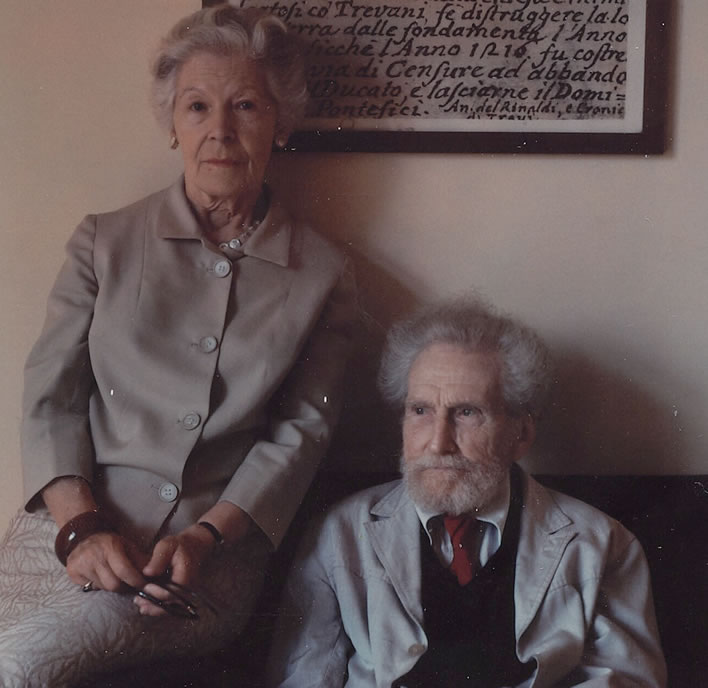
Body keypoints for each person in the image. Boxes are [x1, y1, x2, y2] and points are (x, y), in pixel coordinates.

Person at [0, 5, 355, 686]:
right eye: (197, 107)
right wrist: (79, 529)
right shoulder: (101, 243)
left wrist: (207, 534)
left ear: (280, 123)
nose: (219, 131)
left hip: (204, 554)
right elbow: (51, 401)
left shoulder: (324, 274)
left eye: (245, 105)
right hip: (64, 531)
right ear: (172, 126)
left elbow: (301, 433)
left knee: (20, 666)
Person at [267, 297, 667, 688]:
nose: (438, 443)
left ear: (521, 433)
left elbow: (629, 680)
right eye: (420, 411)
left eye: (466, 413)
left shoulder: (604, 545)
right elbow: (303, 676)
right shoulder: (338, 534)